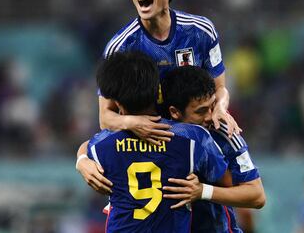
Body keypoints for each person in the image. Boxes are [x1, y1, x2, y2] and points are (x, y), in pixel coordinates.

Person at [99, 0, 240, 145]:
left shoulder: (201, 32)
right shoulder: (120, 47)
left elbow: (221, 88)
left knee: (233, 143)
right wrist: (133, 122)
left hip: (197, 137)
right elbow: (105, 117)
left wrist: (220, 108)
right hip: (149, 141)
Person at [85, 51, 230, 232]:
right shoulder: (193, 139)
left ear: (116, 102)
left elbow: (88, 147)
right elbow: (228, 183)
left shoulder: (102, 146)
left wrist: (81, 160)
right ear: (158, 92)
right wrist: (201, 190)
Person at [160, 65, 265, 232]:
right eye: (201, 111)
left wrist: (202, 191)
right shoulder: (156, 133)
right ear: (174, 112)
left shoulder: (225, 133)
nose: (210, 116)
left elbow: (257, 196)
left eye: (212, 106)